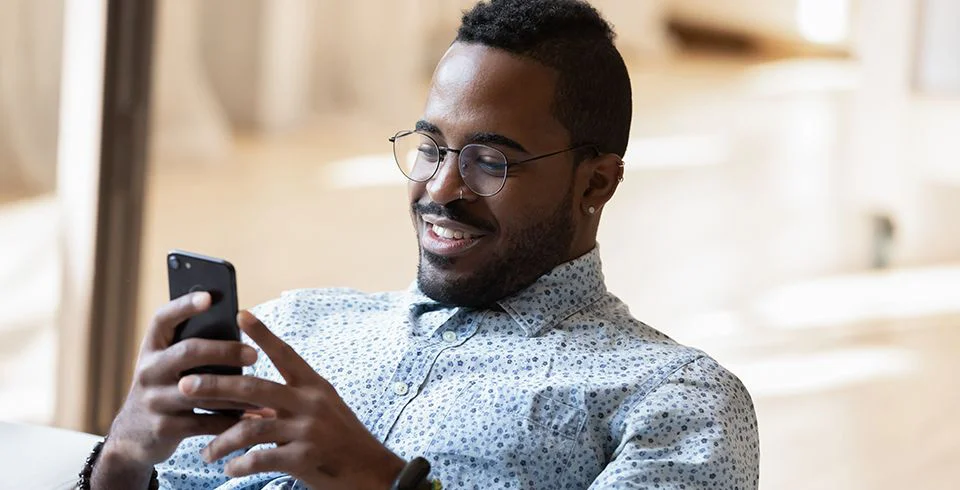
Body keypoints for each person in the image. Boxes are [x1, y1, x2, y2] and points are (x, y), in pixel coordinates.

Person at [87, 0, 759, 488]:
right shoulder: (298, 329)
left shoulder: (671, 399)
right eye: (431, 148)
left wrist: (381, 483)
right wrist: (121, 458)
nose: (439, 190)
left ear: (597, 182)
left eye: (490, 162)